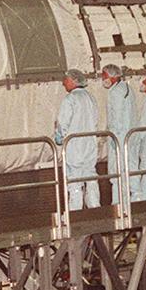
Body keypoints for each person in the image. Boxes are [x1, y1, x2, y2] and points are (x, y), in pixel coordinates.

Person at [54, 69, 100, 211]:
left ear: (73, 81)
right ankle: (95, 208)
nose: (63, 83)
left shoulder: (70, 99)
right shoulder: (91, 98)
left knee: (74, 180)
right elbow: (96, 119)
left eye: (66, 80)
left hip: (74, 147)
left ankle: (75, 212)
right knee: (90, 177)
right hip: (90, 145)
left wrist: (59, 138)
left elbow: (62, 123)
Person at [101, 64, 136, 205]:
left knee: (118, 172)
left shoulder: (115, 92)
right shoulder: (127, 89)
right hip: (128, 136)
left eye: (104, 76)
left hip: (119, 136)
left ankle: (119, 204)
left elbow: (116, 117)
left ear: (113, 76)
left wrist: (112, 137)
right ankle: (132, 201)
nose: (103, 79)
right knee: (129, 170)